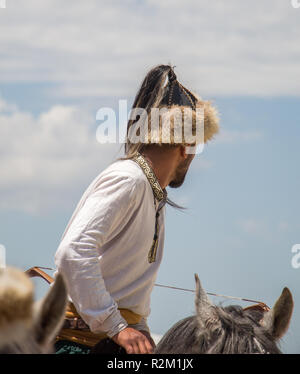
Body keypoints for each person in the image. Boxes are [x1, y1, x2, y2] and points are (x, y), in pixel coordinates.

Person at [54, 64, 219, 354]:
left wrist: (138, 328)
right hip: (79, 344)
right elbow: (73, 251)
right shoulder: (130, 180)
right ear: (186, 145)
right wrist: (118, 326)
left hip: (109, 340)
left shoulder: (153, 191)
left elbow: (127, 293)